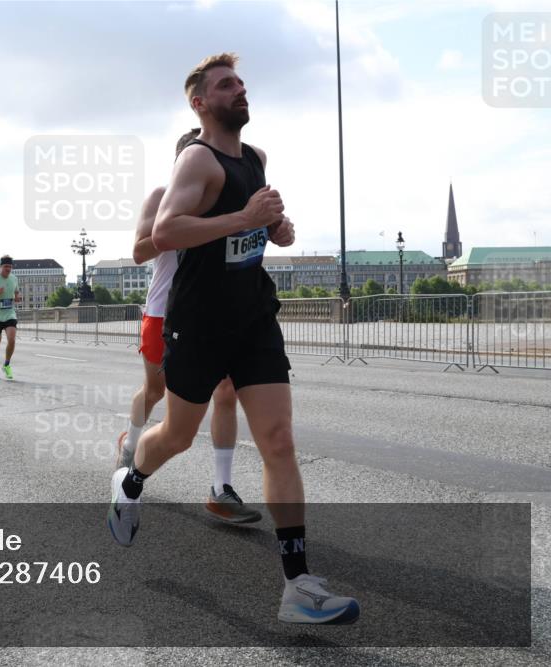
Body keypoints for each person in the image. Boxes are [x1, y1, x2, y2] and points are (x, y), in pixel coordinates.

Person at [107, 53, 359, 625]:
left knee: (277, 439)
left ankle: (297, 585)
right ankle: (132, 477)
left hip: (253, 318)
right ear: (199, 103)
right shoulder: (197, 159)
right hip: (197, 322)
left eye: (242, 82)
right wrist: (242, 220)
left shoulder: (254, 158)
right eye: (226, 85)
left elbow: (259, 226)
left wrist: (276, 227)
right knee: (175, 435)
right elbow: (164, 232)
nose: (239, 90)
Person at [117, 129, 259, 524]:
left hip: (211, 314)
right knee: (156, 391)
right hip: (164, 311)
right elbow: (139, 252)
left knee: (226, 390)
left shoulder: (226, 198)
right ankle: (132, 447)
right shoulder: (162, 198)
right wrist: (181, 228)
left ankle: (220, 489)